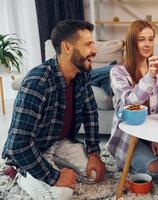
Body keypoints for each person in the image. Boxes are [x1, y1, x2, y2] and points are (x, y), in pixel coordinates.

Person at [2, 20, 106, 200]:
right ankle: (20, 172)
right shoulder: (38, 82)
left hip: (60, 143)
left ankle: (52, 166)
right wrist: (55, 176)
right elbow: (18, 144)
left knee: (95, 175)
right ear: (67, 47)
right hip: (33, 149)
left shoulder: (82, 75)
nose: (94, 50)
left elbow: (90, 114)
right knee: (62, 194)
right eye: (88, 44)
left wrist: (94, 152)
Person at [107, 20, 158, 178]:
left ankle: (153, 152)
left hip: (155, 130)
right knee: (156, 170)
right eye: (141, 39)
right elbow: (130, 102)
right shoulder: (118, 72)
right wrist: (150, 76)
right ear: (131, 41)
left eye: (151, 39)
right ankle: (132, 162)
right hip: (130, 136)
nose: (147, 44)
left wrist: (157, 138)